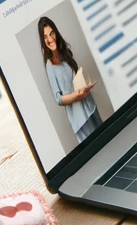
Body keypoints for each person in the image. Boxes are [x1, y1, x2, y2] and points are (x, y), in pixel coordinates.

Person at [38, 16, 101, 145]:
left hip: (90, 106)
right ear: (43, 40)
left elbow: (75, 79)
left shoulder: (66, 53)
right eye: (45, 37)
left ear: (56, 32)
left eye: (51, 33)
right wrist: (76, 96)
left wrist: (84, 86)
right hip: (79, 119)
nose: (50, 39)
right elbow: (59, 99)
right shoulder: (50, 66)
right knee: (95, 149)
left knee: (107, 140)